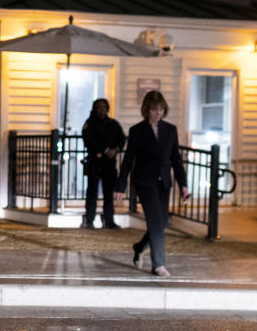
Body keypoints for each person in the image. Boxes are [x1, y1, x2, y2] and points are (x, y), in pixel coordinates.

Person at [114, 91, 190, 277]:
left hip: (164, 182)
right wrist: (120, 186)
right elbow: (128, 160)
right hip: (145, 182)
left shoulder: (170, 130)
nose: (158, 113)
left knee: (162, 222)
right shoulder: (137, 131)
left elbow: (176, 160)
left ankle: (139, 247)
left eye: (161, 110)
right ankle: (159, 264)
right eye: (154, 110)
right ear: (146, 110)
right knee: (155, 221)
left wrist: (184, 184)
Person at [81, 98, 126, 229]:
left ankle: (109, 220)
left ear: (107, 109)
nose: (101, 109)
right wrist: (106, 150)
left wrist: (116, 149)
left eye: (103, 107)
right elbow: (89, 141)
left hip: (109, 164)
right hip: (95, 162)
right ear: (95, 109)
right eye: (98, 107)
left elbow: (121, 139)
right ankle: (89, 219)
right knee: (92, 192)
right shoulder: (89, 124)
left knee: (108, 193)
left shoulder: (113, 124)